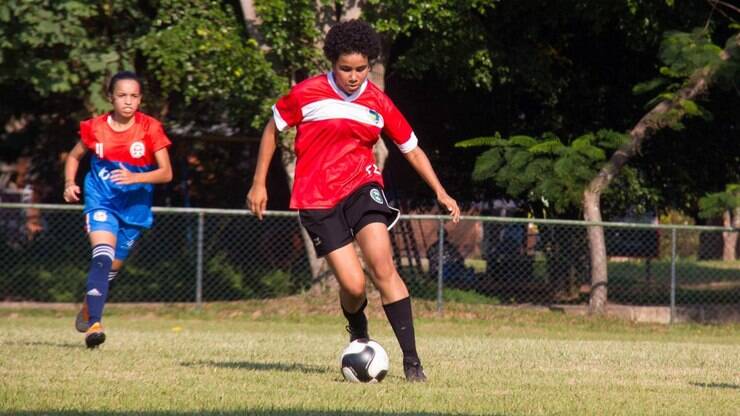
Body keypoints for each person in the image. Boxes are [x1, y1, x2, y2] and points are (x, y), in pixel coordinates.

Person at [246, 20, 460, 382]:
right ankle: (358, 331)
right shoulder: (306, 93)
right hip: (316, 198)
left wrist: (440, 191)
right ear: (332, 62)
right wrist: (258, 183)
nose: (353, 76)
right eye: (345, 68)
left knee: (382, 266)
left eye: (361, 69)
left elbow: (412, 149)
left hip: (362, 186)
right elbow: (272, 128)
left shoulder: (378, 101)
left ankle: (413, 362)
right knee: (354, 285)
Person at [63, 71, 173, 348]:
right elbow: (74, 157)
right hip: (101, 200)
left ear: (140, 99)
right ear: (110, 98)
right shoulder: (95, 128)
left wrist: (136, 177)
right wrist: (68, 183)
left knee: (111, 268)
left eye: (134, 96)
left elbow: (166, 173)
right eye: (122, 95)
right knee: (102, 256)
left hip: (135, 207)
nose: (128, 101)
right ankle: (95, 324)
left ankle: (89, 307)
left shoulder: (150, 128)